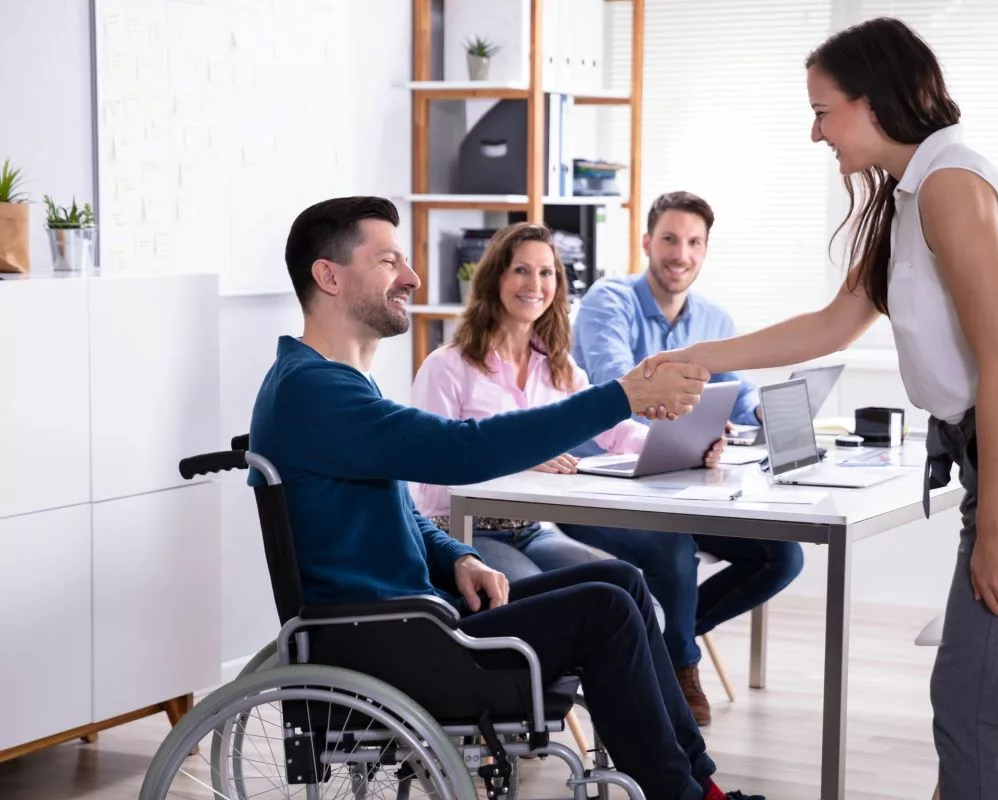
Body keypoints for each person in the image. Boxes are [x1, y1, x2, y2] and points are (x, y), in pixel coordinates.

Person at [640, 18, 998, 800]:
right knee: (994, 696)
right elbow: (831, 324)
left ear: (874, 103)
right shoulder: (909, 198)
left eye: (823, 110)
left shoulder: (950, 185)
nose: (815, 132)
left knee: (967, 701)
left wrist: (994, 529)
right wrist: (699, 357)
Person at [247, 195, 765, 800]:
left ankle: (702, 786)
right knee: (606, 608)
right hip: (392, 643)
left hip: (417, 618)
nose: (412, 277)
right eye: (389, 261)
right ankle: (681, 795)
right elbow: (464, 451)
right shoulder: (315, 393)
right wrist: (620, 395)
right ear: (329, 276)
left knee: (622, 581)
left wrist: (458, 558)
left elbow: (405, 512)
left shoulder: (330, 383)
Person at [567, 190, 805, 723]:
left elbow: (737, 394)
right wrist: (695, 420)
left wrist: (769, 415)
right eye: (670, 239)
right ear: (647, 242)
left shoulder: (713, 318)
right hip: (596, 484)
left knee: (781, 555)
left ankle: (666, 638)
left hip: (676, 479)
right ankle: (679, 663)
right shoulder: (611, 301)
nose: (681, 254)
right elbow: (617, 387)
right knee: (672, 545)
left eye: (694, 242)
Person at [410, 221, 727, 583]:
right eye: (521, 271)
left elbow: (613, 427)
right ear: (494, 279)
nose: (535, 284)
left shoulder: (557, 365)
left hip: (530, 530)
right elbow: (431, 476)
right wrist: (524, 457)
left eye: (546, 273)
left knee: (623, 583)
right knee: (554, 598)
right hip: (461, 534)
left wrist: (683, 448)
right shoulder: (447, 366)